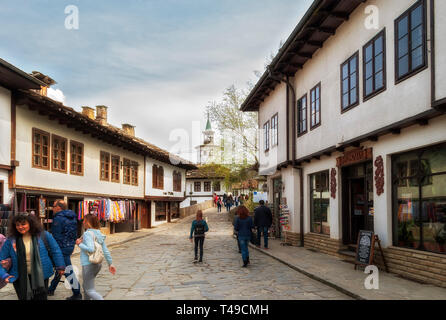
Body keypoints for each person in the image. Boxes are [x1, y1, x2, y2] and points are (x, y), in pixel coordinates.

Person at [0, 213, 65, 300]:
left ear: (30, 223)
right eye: (17, 225)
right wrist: (4, 274)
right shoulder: (11, 240)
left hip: (42, 274)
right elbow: (1, 258)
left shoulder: (43, 235)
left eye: (23, 224)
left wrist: (60, 266)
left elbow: (56, 250)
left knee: (40, 298)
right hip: (20, 277)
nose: (20, 227)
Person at [48, 199, 82, 300]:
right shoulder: (71, 217)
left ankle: (77, 293)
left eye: (53, 206)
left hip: (61, 247)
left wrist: (53, 249)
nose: (52, 208)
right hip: (69, 246)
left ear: (59, 207)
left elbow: (56, 236)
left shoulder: (58, 218)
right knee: (61, 267)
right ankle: (51, 288)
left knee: (67, 270)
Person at [76, 214, 116, 300]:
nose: (82, 222)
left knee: (89, 290)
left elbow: (90, 249)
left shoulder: (87, 234)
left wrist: (80, 244)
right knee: (86, 286)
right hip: (97, 264)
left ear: (88, 222)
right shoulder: (98, 233)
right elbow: (105, 250)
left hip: (88, 264)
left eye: (84, 220)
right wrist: (110, 264)